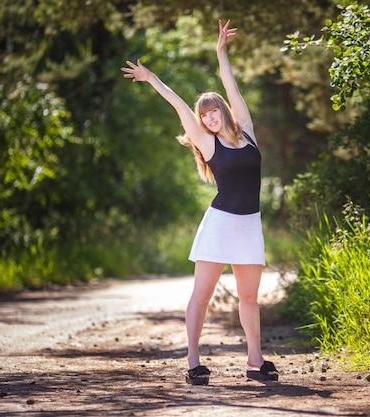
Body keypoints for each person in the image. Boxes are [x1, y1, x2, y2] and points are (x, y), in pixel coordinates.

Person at [121, 19, 279, 385]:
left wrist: (220, 51)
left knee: (250, 298)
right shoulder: (209, 145)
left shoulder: (247, 132)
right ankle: (193, 360)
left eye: (213, 111)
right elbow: (178, 104)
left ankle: (255, 360)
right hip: (220, 223)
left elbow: (231, 86)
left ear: (223, 111)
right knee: (202, 295)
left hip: (249, 224)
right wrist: (152, 79)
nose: (208, 117)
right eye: (203, 114)